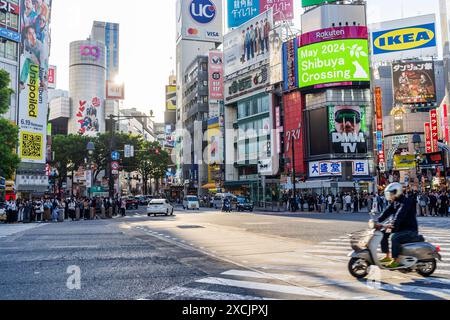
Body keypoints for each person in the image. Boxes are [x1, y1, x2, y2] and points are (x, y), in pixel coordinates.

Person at [377, 183, 419, 269]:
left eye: (391, 193)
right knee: (383, 233)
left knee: (394, 237)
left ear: (397, 192)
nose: (390, 195)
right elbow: (387, 211)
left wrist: (393, 224)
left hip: (409, 230)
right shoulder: (395, 202)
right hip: (399, 227)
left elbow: (400, 215)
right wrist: (378, 220)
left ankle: (396, 261)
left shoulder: (406, 202)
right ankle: (387, 256)